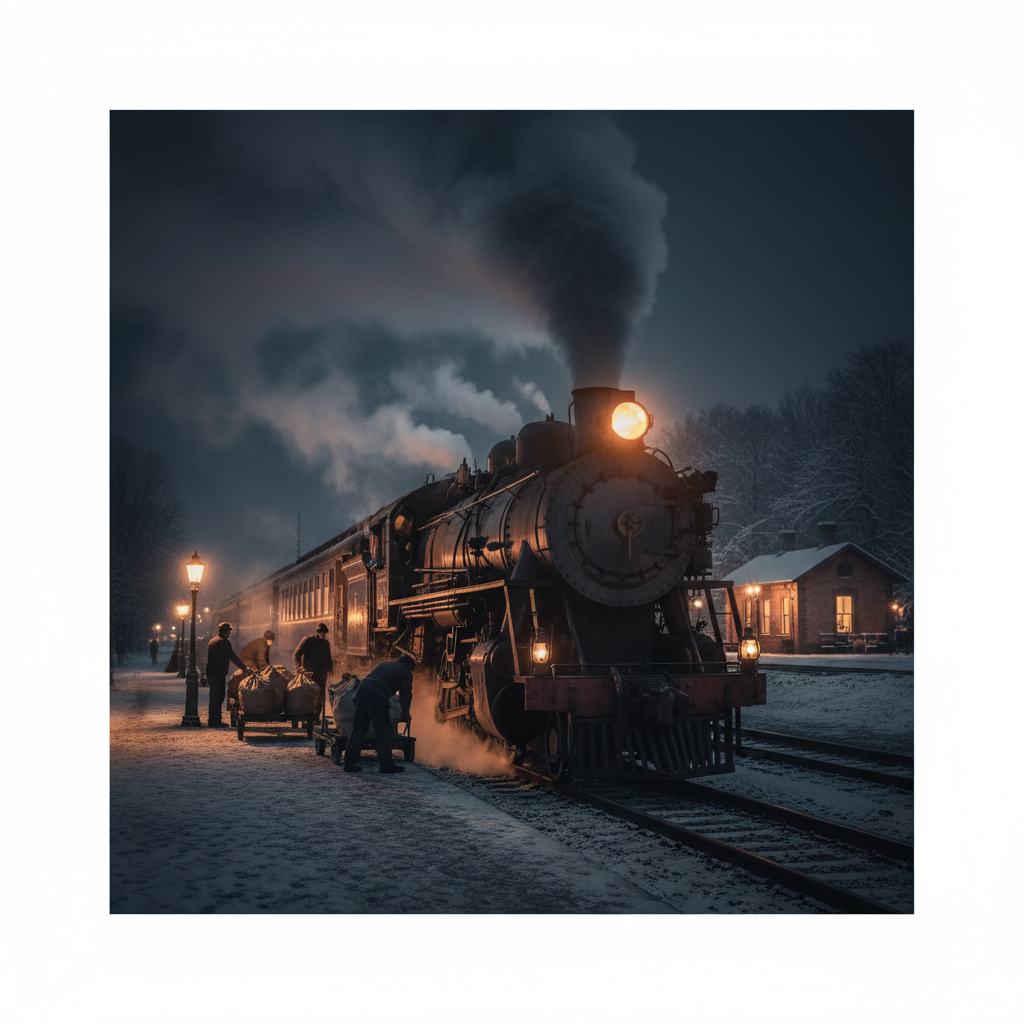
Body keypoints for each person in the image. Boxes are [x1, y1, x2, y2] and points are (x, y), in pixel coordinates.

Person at [343, 653, 414, 774]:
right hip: (377, 694)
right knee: (384, 731)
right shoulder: (406, 672)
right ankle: (386, 765)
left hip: (361, 691)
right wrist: (405, 714)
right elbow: (405, 696)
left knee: (358, 729)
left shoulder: (385, 664)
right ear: (409, 666)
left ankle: (349, 764)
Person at [205, 622, 245, 727]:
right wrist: (244, 668)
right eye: (229, 631)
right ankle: (215, 721)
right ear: (225, 631)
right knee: (218, 696)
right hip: (217, 672)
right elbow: (232, 656)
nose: (230, 633)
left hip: (212, 671)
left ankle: (213, 720)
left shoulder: (213, 640)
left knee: (214, 696)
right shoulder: (223, 642)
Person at [293, 623, 334, 714]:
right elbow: (297, 654)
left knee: (320, 696)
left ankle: (316, 716)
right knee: (309, 695)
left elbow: (328, 657)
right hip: (308, 673)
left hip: (321, 674)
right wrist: (298, 667)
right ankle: (307, 715)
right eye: (322, 633)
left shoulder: (326, 643)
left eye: (325, 634)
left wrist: (330, 669)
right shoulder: (307, 640)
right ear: (317, 633)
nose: (324, 635)